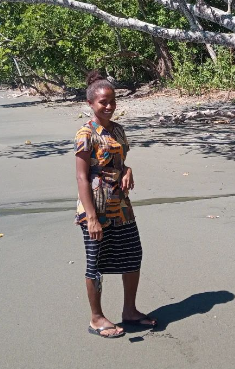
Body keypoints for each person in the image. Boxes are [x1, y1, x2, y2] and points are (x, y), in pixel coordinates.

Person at [74, 71, 157, 338]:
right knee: (95, 263)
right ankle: (96, 318)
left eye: (112, 101)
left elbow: (118, 164)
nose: (109, 106)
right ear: (90, 103)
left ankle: (130, 311)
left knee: (133, 256)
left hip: (121, 207)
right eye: (103, 102)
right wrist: (91, 217)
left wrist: (128, 170)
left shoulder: (119, 130)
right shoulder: (86, 134)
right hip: (96, 207)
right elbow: (82, 176)